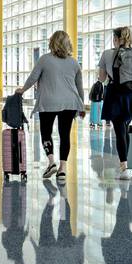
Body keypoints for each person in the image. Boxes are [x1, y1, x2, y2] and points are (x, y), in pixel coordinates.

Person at [17, 31, 86, 182]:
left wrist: (22, 90)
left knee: (46, 133)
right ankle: (62, 169)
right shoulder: (74, 63)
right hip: (70, 102)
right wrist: (82, 106)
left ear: (52, 42)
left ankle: (51, 162)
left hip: (49, 101)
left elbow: (33, 77)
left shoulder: (44, 60)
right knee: (64, 135)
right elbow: (79, 87)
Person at [96, 26, 132, 181]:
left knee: (119, 130)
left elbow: (102, 78)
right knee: (124, 127)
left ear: (117, 39)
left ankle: (124, 167)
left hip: (116, 94)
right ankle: (125, 165)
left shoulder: (107, 54)